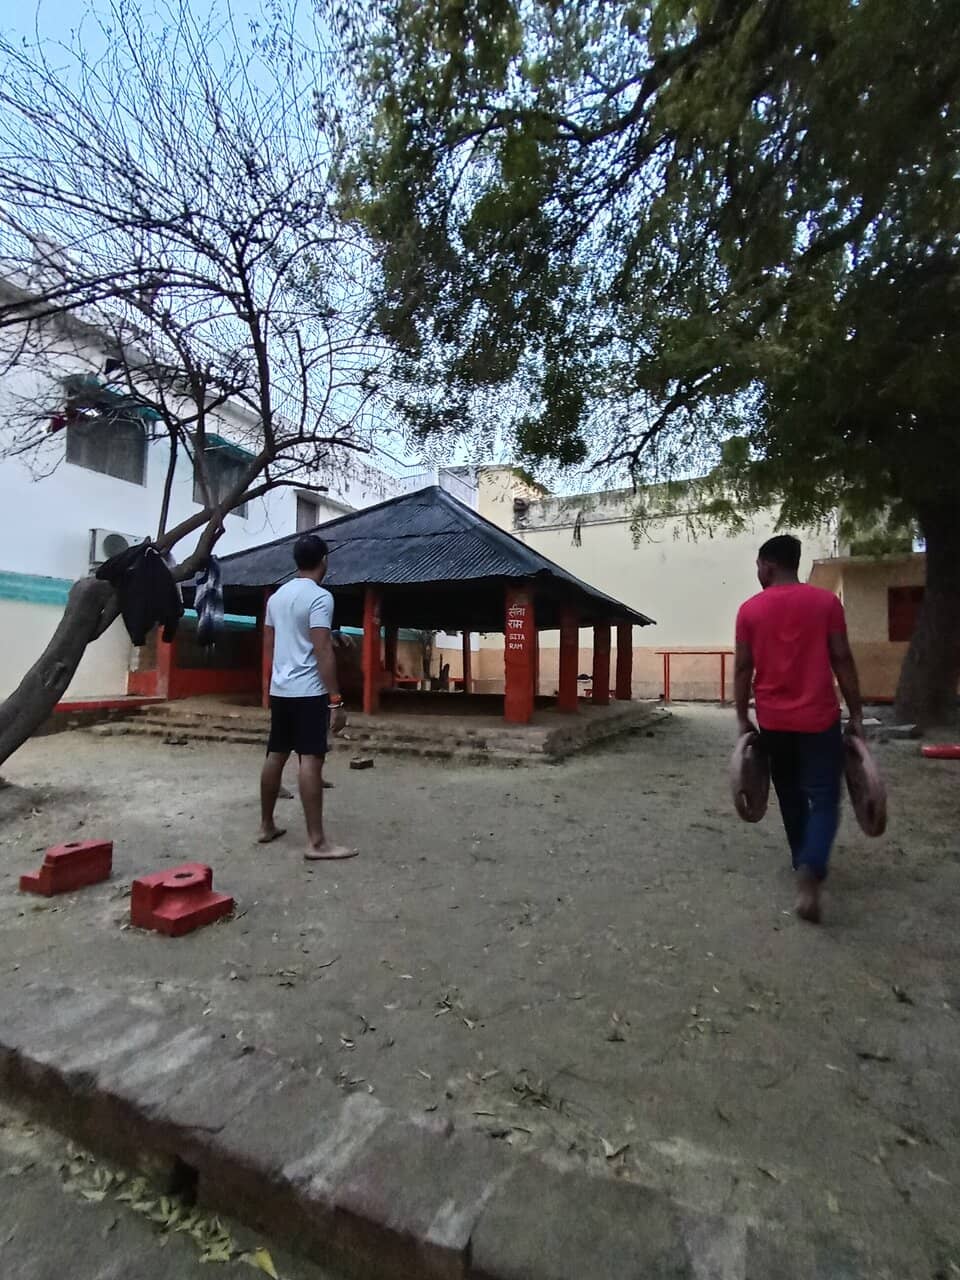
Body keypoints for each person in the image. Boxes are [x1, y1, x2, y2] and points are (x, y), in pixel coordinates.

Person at [734, 535, 863, 923]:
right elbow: (842, 657)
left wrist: (742, 717)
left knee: (789, 793)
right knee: (824, 798)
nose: (757, 572)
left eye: (758, 566)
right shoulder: (826, 603)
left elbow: (743, 668)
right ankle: (812, 866)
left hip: (774, 722)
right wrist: (856, 713)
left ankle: (800, 860)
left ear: (768, 565)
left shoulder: (749, 610)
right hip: (819, 720)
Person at [258, 533, 354, 860]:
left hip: (281, 689)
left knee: (276, 753)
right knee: (311, 759)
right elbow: (321, 648)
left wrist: (274, 682)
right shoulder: (320, 597)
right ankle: (317, 843)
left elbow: (270, 645)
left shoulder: (276, 598)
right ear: (324, 560)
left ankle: (266, 825)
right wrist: (336, 700)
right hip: (309, 691)